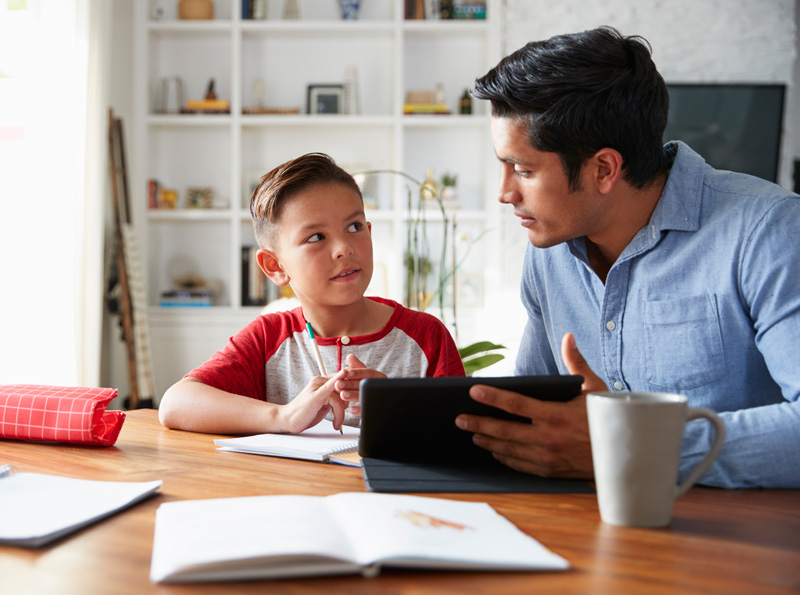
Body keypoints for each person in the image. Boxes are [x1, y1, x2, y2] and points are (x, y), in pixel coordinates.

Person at [455, 26, 800, 488]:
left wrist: (628, 448)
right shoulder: (548, 255)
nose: (505, 193)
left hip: (734, 541)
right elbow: (533, 415)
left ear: (603, 169)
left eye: (523, 170)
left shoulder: (768, 230)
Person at [159, 152, 465, 435]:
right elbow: (176, 403)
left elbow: (465, 436)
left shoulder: (427, 337)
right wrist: (285, 416)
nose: (344, 248)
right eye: (316, 237)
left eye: (354, 226)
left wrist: (397, 406)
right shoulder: (268, 338)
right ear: (275, 265)